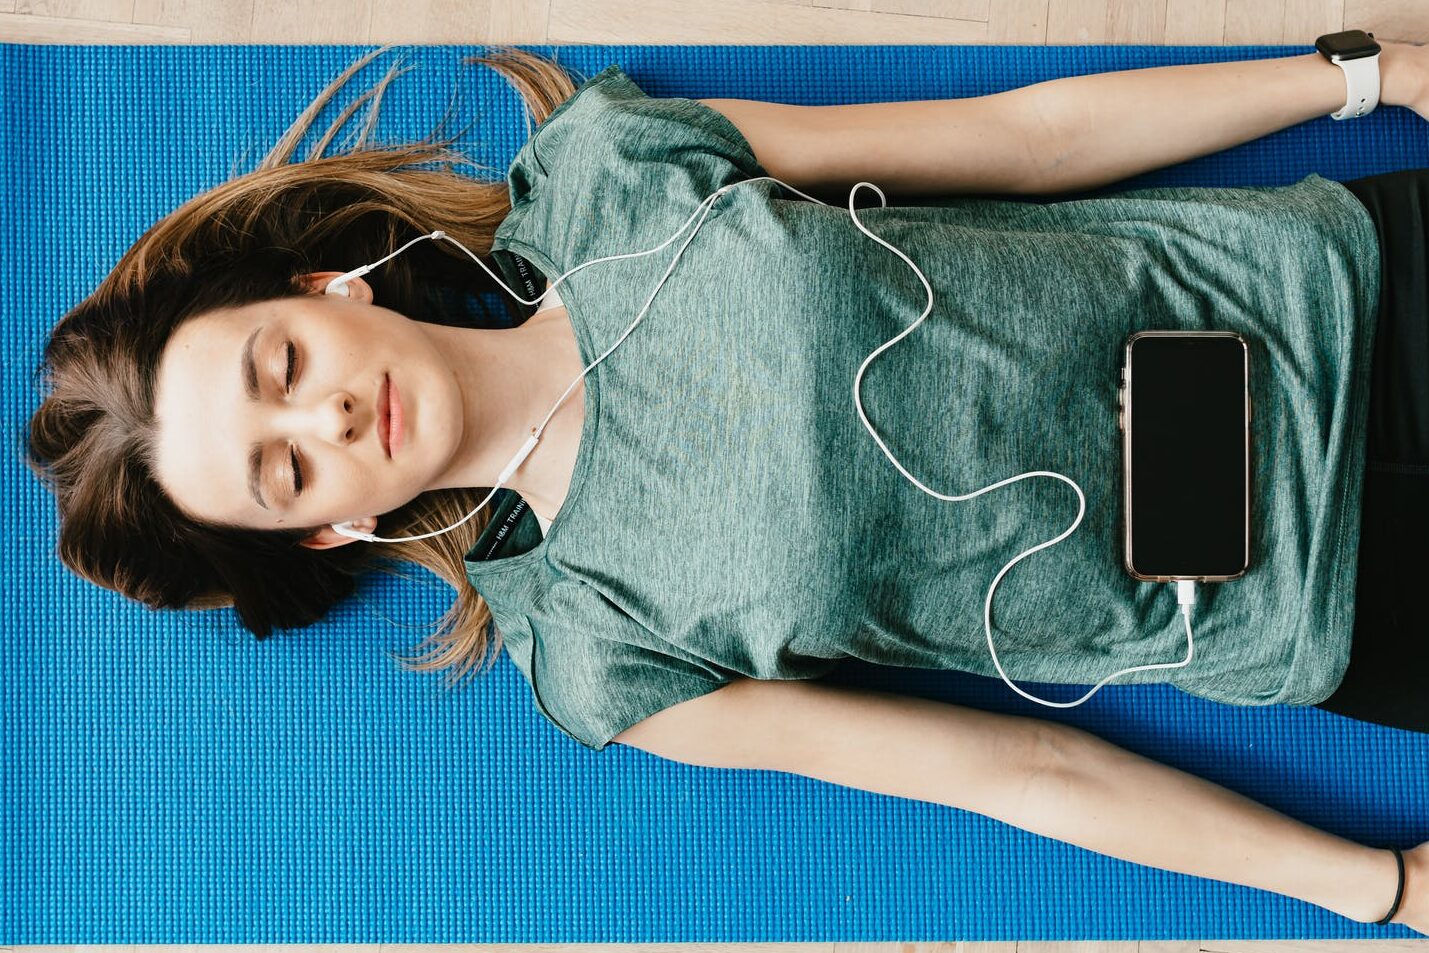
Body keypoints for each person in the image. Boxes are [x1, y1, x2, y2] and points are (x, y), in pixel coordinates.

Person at [24, 40, 1429, 932]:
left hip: (1355, 287)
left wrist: (1359, 71)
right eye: (285, 468)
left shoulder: (606, 171)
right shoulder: (594, 652)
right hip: (1351, 597)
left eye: (279, 363)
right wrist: (1372, 889)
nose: (325, 413)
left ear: (319, 286)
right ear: (323, 525)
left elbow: (1021, 140)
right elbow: (1016, 768)